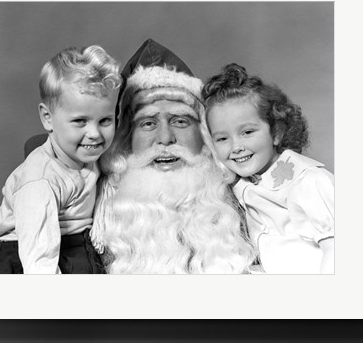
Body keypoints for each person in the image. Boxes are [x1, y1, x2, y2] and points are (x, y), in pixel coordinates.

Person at [90, 39, 254, 274]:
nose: (165, 138)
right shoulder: (94, 210)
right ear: (126, 140)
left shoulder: (247, 201)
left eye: (180, 121)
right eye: (148, 123)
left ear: (204, 135)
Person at [0, 45, 122, 274]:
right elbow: (39, 259)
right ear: (47, 118)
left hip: (76, 245)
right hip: (32, 254)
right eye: (80, 121)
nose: (94, 133)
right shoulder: (39, 181)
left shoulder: (88, 155)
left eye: (105, 120)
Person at [202, 63, 334, 274]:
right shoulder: (240, 186)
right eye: (222, 138)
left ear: (277, 133)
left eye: (247, 132)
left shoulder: (308, 182)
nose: (236, 147)